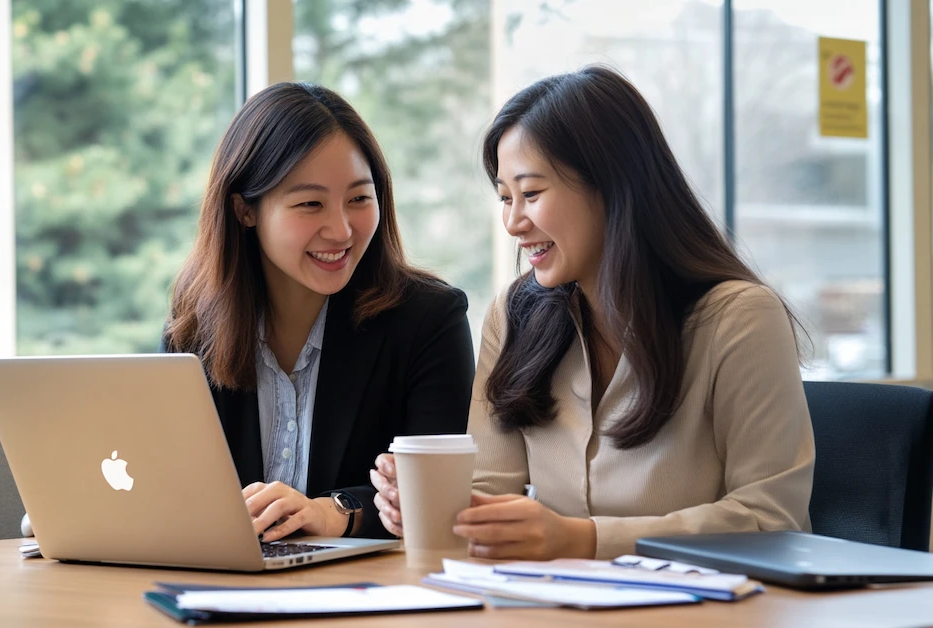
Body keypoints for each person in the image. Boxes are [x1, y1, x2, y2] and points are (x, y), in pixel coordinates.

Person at [370, 66, 814, 560]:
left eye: (532, 194)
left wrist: (584, 540)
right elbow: (489, 493)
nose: (513, 222)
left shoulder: (739, 319)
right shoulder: (514, 315)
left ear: (610, 185)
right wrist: (431, 509)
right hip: (557, 605)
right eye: (504, 197)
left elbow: (772, 520)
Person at [163, 82, 475, 541]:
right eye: (311, 203)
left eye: (359, 198)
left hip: (370, 597)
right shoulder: (195, 325)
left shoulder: (429, 319)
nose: (342, 229)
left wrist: (332, 512)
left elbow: (437, 494)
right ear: (244, 210)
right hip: (226, 584)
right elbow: (168, 483)